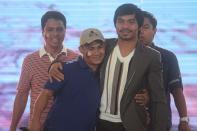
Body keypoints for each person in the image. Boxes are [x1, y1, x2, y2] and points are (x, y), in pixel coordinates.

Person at [49, 3, 168, 131]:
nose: (125, 26)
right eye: (120, 21)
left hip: (132, 124)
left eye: (131, 22)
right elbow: (83, 59)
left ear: (139, 25)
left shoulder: (151, 56)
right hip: (100, 123)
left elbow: (158, 100)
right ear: (115, 24)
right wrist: (55, 64)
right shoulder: (104, 46)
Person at [10, 11, 78, 131]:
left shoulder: (76, 59)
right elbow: (22, 95)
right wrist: (12, 127)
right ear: (43, 32)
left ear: (65, 31)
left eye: (59, 29)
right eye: (50, 29)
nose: (55, 34)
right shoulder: (30, 60)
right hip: (37, 127)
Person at [29, 28, 105, 131]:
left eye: (99, 47)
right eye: (91, 48)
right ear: (81, 49)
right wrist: (35, 121)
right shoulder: (66, 69)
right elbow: (45, 94)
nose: (96, 52)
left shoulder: (104, 72)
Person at [139, 10, 190, 131]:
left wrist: (183, 119)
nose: (141, 32)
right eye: (138, 27)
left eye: (146, 27)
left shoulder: (167, 57)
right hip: (130, 121)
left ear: (154, 31)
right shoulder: (124, 56)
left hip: (160, 121)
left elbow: (176, 90)